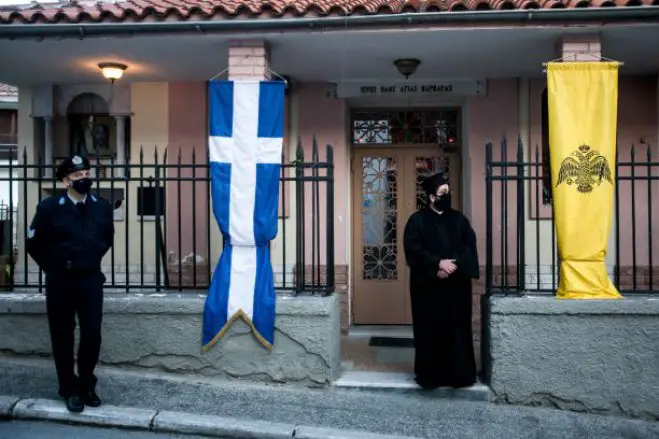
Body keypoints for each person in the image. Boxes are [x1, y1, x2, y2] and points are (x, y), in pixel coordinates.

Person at [26, 155, 114, 412]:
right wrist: (54, 268)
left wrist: (89, 258)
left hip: (90, 279)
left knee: (92, 335)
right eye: (77, 176)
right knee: (63, 336)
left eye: (86, 173)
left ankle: (87, 384)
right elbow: (34, 244)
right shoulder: (49, 208)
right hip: (61, 281)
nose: (84, 179)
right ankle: (68, 388)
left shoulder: (102, 206)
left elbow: (106, 238)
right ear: (66, 180)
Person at [403, 171, 479, 389]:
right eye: (442, 192)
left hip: (456, 288)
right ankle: (431, 377)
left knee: (457, 330)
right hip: (428, 288)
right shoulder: (416, 221)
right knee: (430, 330)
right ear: (431, 197)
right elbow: (413, 250)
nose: (447, 195)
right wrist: (438, 263)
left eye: (449, 192)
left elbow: (468, 247)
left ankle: (460, 376)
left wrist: (451, 266)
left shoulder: (459, 220)